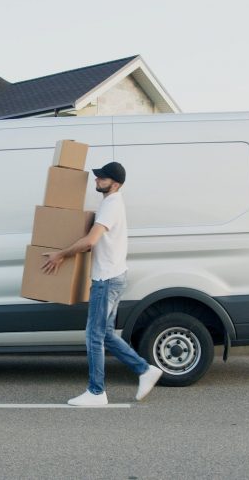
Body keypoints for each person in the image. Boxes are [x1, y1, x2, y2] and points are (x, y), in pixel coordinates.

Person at [42, 162, 162, 406]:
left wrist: (60, 254)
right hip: (114, 275)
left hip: (106, 279)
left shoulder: (111, 205)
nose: (96, 180)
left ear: (114, 184)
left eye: (102, 178)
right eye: (97, 176)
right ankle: (144, 369)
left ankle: (96, 392)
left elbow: (90, 241)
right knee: (105, 333)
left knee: (93, 335)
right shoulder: (111, 203)